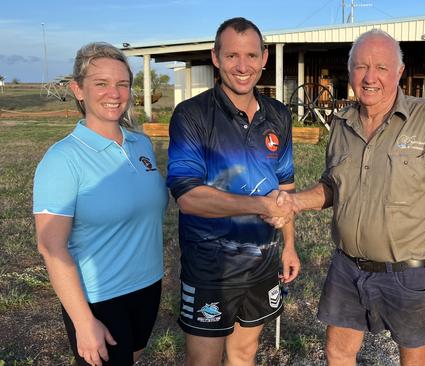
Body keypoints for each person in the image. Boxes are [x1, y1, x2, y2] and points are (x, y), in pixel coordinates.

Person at [274, 29, 425, 365]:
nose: (370, 78)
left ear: (399, 72)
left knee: (417, 360)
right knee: (337, 351)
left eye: (381, 67)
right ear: (349, 72)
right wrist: (294, 202)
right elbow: (335, 187)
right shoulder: (342, 122)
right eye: (361, 67)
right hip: (347, 266)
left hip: (409, 274)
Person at [166, 17, 299, 366]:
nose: (243, 67)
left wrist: (289, 245)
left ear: (265, 58)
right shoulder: (191, 115)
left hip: (263, 263)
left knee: (244, 354)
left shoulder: (279, 115)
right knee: (204, 361)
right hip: (211, 268)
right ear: (215, 57)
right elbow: (188, 195)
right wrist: (258, 205)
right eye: (232, 56)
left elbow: (285, 189)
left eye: (252, 56)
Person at [33, 42, 168, 366]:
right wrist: (83, 321)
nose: (115, 93)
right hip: (99, 299)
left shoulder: (141, 144)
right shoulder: (63, 159)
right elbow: (51, 247)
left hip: (148, 288)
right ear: (78, 90)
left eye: (122, 84)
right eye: (101, 83)